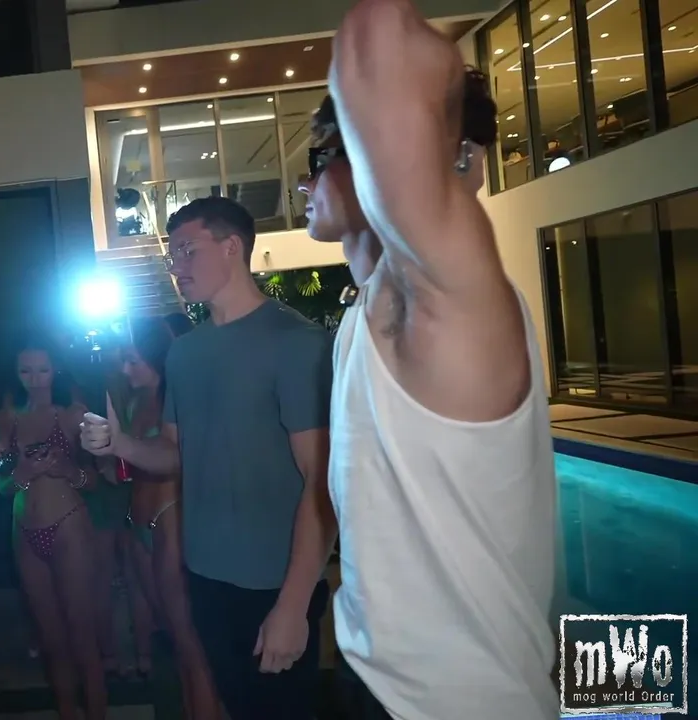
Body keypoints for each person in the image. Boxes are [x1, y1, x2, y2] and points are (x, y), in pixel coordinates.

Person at [303, 3, 558, 717]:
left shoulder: (458, 303)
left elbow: (378, 34)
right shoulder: (367, 314)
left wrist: (437, 138)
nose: (308, 182)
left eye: (326, 155)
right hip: (377, 687)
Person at [80, 196, 334, 720]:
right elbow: (176, 453)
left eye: (187, 251)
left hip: (274, 581)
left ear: (232, 247)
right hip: (205, 575)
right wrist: (121, 444)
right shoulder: (186, 352)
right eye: (172, 255)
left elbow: (322, 481)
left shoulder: (297, 343)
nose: (177, 267)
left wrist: (293, 604)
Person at [114, 317, 221, 720]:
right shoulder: (136, 402)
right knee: (175, 642)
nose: (125, 369)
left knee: (193, 648)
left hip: (170, 518)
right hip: (139, 523)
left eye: (132, 360)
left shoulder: (180, 402)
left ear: (156, 357)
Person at [0, 338, 105, 720]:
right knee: (51, 639)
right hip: (23, 528)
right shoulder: (7, 418)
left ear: (54, 368)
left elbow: (97, 479)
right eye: (25, 370)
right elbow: (1, 485)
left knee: (82, 634)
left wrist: (69, 471)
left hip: (68, 524)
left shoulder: (74, 415)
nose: (34, 378)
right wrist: (22, 474)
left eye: (42, 369)